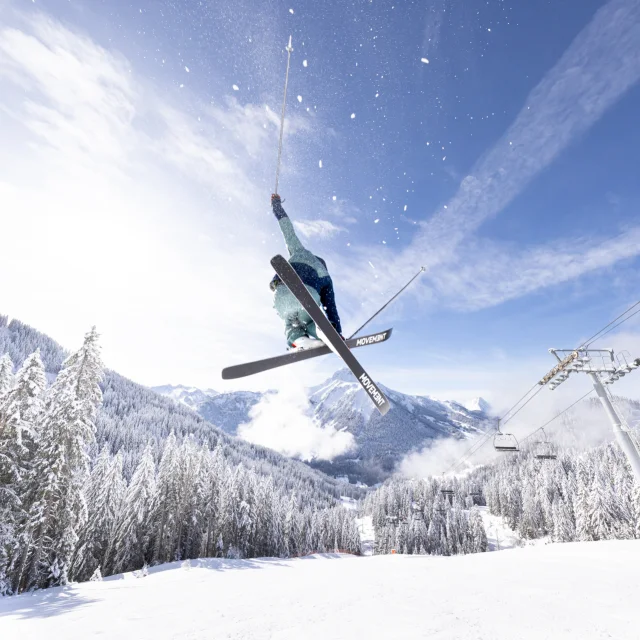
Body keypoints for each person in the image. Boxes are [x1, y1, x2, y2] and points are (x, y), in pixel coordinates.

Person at [269, 193, 343, 350]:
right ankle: (323, 333)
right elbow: (331, 307)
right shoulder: (326, 277)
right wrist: (337, 332)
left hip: (283, 293)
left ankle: (299, 339)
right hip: (308, 297)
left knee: (290, 323)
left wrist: (276, 206)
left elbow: (287, 228)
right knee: (313, 321)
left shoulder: (299, 250)